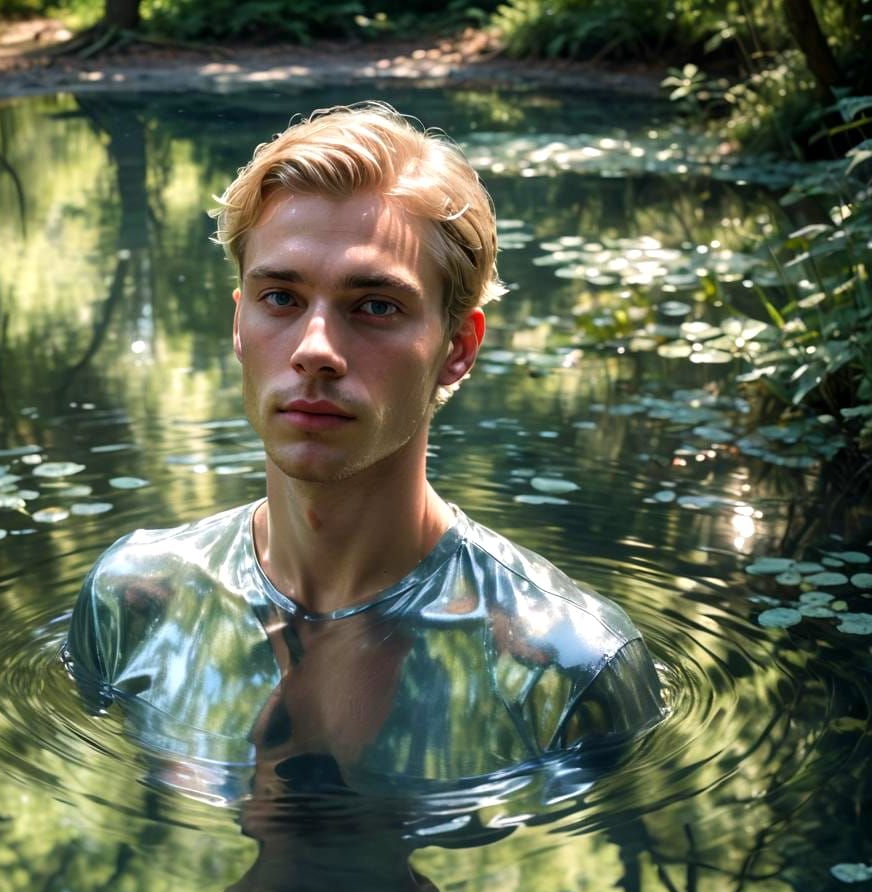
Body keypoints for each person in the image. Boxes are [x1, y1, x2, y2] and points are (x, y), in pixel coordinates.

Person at [65, 102, 664, 785]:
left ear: (457, 348)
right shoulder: (132, 604)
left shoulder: (568, 671)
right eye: (281, 299)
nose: (315, 350)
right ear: (239, 325)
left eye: (375, 306)